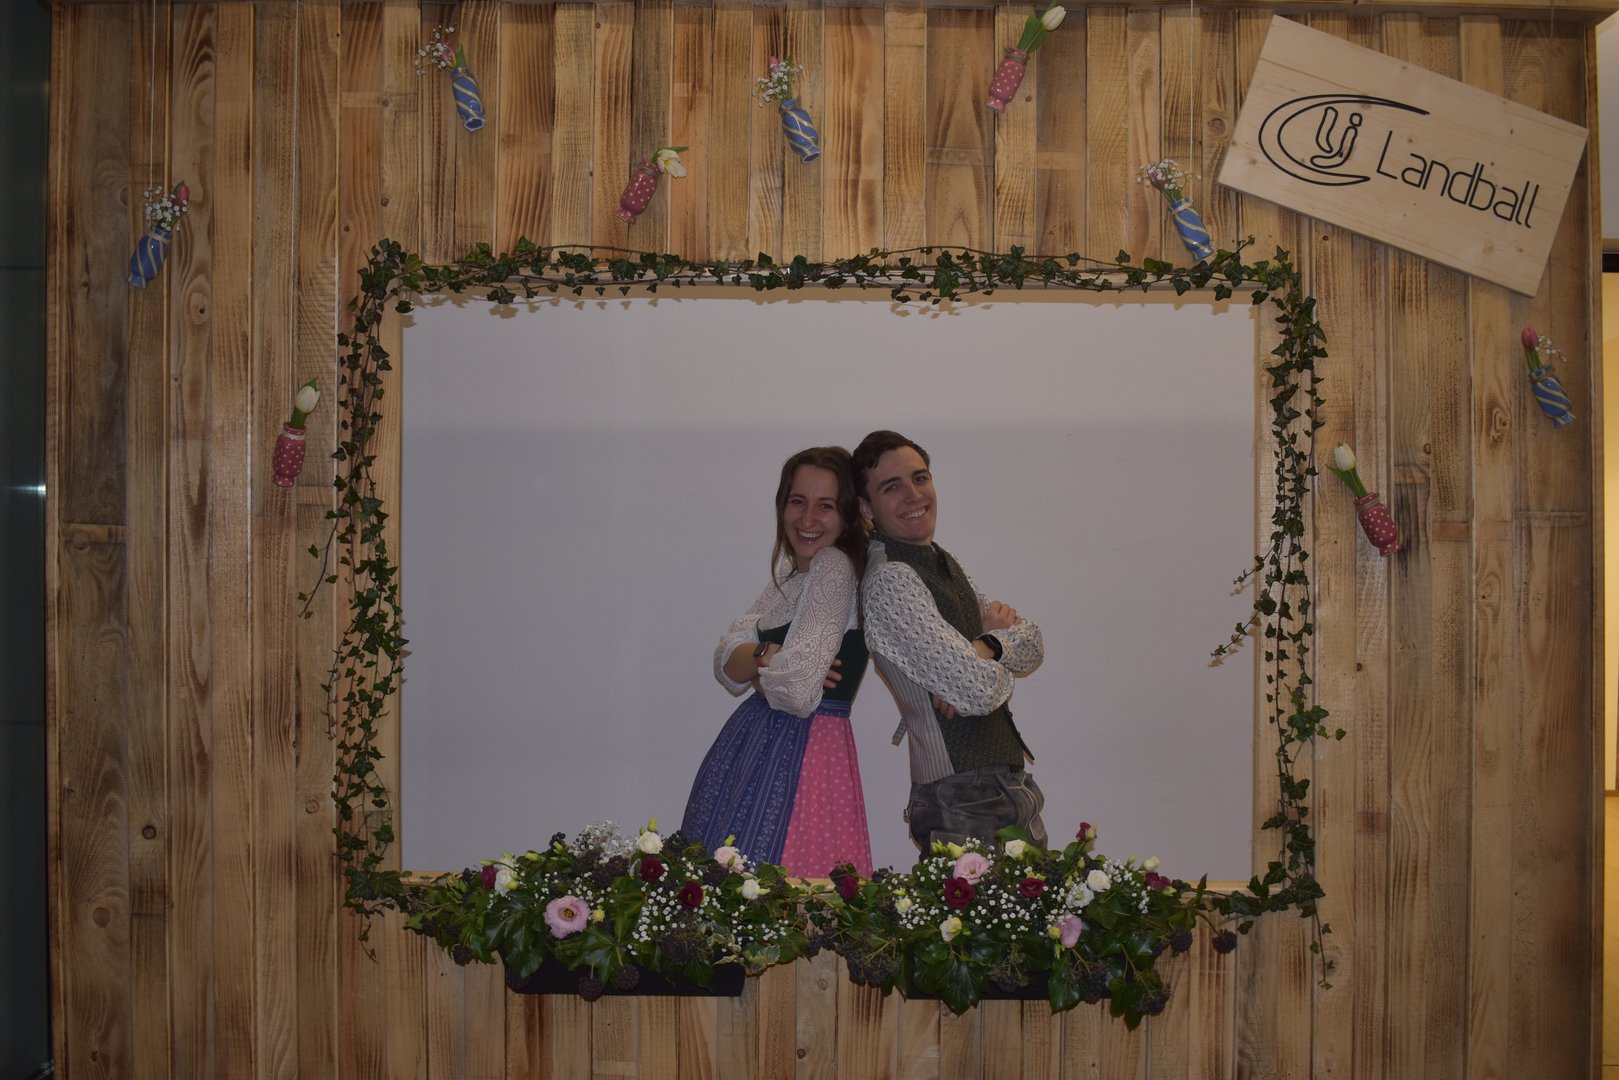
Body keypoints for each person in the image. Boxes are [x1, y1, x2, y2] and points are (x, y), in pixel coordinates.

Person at [681, 447, 875, 876]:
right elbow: (726, 662)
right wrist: (769, 658)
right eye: (797, 501)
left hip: (804, 747)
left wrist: (759, 667)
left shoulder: (833, 565)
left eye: (825, 506)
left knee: (778, 886)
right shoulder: (790, 575)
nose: (807, 519)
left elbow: (799, 693)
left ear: (847, 514)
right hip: (763, 743)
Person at [852, 430, 1049, 852]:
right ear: (866, 508)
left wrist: (985, 647)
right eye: (892, 487)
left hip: (1009, 786)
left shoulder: (941, 561)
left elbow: (1033, 641)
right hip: (960, 796)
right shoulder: (891, 579)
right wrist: (979, 660)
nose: (913, 494)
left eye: (920, 478)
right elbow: (975, 690)